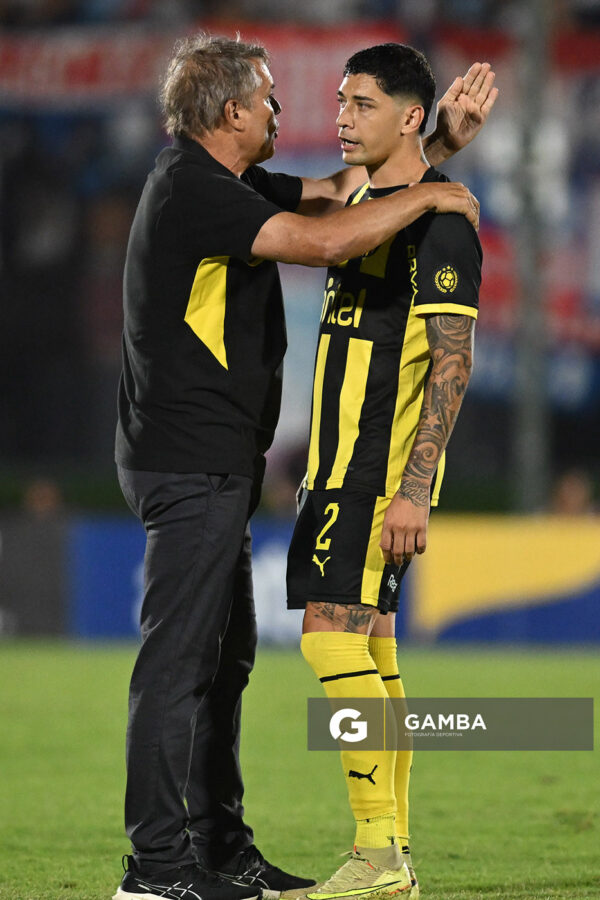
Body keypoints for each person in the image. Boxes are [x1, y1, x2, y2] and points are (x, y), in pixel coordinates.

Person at [113, 32, 495, 900]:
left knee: (263, 655)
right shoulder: (196, 190)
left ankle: (323, 851)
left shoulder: (236, 184)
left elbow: (349, 213)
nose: (303, 113)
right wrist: (434, 180)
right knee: (203, 662)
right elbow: (328, 239)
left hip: (306, 474)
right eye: (274, 98)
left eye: (357, 104)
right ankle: (162, 868)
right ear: (231, 112)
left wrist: (428, 155)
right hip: (197, 464)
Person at [286, 43, 489, 900]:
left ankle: (375, 857)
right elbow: (372, 205)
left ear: (408, 114)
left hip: (374, 476)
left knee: (329, 639)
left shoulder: (443, 226)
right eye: (339, 100)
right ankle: (392, 851)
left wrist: (413, 489)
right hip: (342, 468)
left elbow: (453, 362)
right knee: (372, 647)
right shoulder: (382, 205)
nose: (340, 116)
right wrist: (438, 155)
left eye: (362, 103)